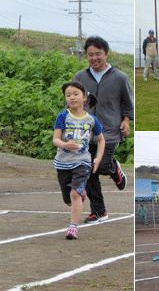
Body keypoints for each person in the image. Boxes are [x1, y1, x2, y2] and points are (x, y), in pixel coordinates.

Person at [72, 36, 134, 223]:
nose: (94, 58)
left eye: (98, 54)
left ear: (106, 54)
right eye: (90, 55)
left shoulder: (120, 77)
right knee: (89, 171)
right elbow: (71, 101)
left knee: (102, 166)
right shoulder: (80, 77)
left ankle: (114, 168)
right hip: (85, 133)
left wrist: (126, 121)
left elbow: (128, 104)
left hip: (109, 131)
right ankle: (99, 212)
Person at [53, 81, 105, 239]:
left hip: (82, 161)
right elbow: (55, 139)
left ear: (84, 98)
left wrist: (97, 159)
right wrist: (64, 144)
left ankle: (73, 228)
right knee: (69, 200)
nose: (71, 98)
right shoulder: (63, 116)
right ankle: (78, 196)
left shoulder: (91, 120)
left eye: (75, 94)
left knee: (75, 193)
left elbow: (101, 140)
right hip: (62, 162)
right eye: (68, 95)